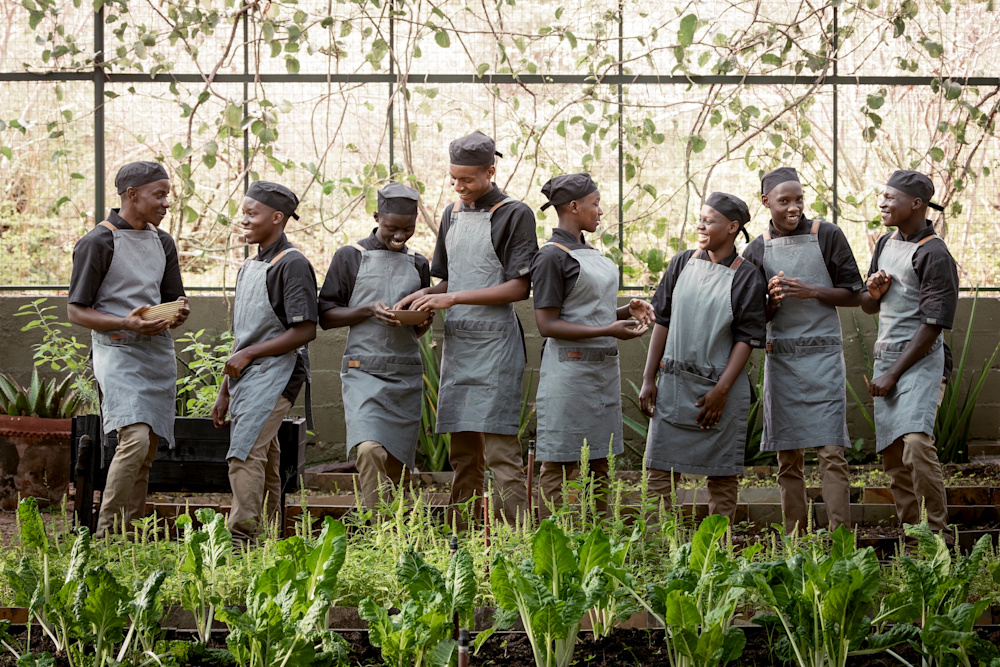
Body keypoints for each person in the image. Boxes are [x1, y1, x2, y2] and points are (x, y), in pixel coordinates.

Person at [395, 130, 537, 527]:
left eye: (468, 179)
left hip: (495, 348)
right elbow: (447, 281)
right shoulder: (451, 213)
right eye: (454, 178)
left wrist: (452, 299)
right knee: (463, 455)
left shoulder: (514, 213)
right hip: (458, 345)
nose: (459, 187)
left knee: (499, 453)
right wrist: (424, 296)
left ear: (490, 171)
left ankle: (519, 540)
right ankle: (463, 538)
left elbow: (519, 287)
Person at [67, 160, 190, 538]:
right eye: (159, 194)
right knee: (134, 439)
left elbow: (173, 295)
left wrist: (178, 311)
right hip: (117, 351)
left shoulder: (162, 241)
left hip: (155, 352)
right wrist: (125, 322)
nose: (166, 203)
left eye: (167, 195)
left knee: (147, 449)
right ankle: (105, 535)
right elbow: (76, 311)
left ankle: (129, 535)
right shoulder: (97, 242)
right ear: (131, 195)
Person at [742, 167, 862, 534]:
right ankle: (796, 539)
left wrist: (811, 291)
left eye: (799, 200)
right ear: (766, 202)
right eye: (784, 201)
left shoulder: (826, 235)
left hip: (824, 358)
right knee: (787, 456)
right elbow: (750, 318)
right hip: (782, 361)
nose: (794, 208)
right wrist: (773, 302)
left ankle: (841, 538)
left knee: (831, 452)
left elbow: (854, 293)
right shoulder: (756, 249)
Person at [530, 173, 653, 518]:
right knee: (559, 464)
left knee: (599, 463)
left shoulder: (588, 251)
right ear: (573, 206)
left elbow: (588, 314)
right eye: (595, 204)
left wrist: (625, 311)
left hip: (601, 371)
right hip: (569, 374)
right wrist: (609, 329)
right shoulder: (551, 257)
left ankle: (597, 540)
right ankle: (553, 540)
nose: (600, 211)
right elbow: (547, 324)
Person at [639, 192, 767, 524]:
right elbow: (662, 320)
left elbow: (746, 339)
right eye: (700, 218)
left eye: (709, 220)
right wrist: (648, 378)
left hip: (719, 394)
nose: (700, 225)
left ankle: (715, 557)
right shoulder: (681, 263)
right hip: (672, 386)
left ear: (733, 227)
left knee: (722, 481)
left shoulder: (747, 276)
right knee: (658, 478)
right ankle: (656, 555)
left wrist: (721, 391)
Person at [212, 181, 317, 546]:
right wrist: (225, 391)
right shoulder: (248, 267)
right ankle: (270, 537)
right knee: (266, 455)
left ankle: (242, 538)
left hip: (279, 373)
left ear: (277, 218)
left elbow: (304, 331)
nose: (245, 220)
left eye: (252, 214)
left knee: (244, 452)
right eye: (244, 212)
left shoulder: (293, 264)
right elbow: (243, 338)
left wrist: (250, 355)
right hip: (246, 376)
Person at [318, 183, 433, 511]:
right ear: (376, 217)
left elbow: (422, 324)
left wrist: (422, 321)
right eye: (391, 228)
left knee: (398, 461)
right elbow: (326, 315)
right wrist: (368, 310)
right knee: (369, 449)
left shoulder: (419, 263)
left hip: (405, 373)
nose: (400, 236)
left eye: (408, 229)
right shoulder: (350, 257)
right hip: (363, 372)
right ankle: (376, 528)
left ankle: (395, 535)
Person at [861, 170, 957, 537]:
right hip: (886, 356)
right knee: (892, 454)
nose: (882, 203)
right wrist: (873, 291)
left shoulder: (934, 253)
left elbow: (932, 325)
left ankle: (938, 534)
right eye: (881, 196)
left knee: (916, 444)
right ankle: (912, 534)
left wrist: (893, 375)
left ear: (916, 204)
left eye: (891, 197)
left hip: (920, 361)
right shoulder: (885, 242)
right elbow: (868, 305)